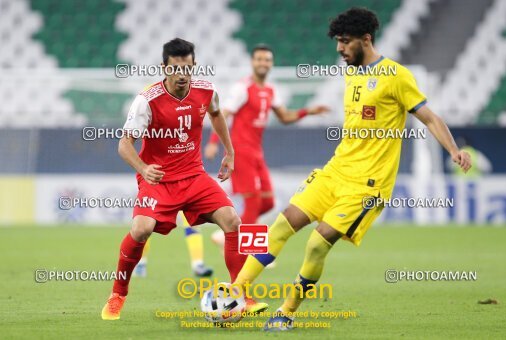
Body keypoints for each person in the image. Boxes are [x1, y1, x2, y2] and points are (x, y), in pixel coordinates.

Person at [232, 8, 472, 331]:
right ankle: (237, 292)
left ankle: (286, 312)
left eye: (345, 42)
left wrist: (454, 150)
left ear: (366, 39)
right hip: (336, 171)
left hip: (367, 186)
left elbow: (429, 117)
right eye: (338, 42)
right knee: (281, 224)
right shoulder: (351, 71)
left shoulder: (397, 76)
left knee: (317, 244)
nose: (339, 49)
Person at [101, 38, 264, 320]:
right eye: (175, 69)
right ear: (164, 67)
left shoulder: (206, 90)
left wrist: (230, 152)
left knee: (233, 221)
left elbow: (217, 115)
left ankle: (242, 295)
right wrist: (143, 169)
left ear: (194, 66)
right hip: (159, 180)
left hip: (194, 176)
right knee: (140, 229)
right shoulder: (147, 100)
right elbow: (124, 144)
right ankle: (118, 294)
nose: (182, 75)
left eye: (187, 68)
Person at [205, 44, 328, 253]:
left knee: (269, 202)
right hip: (241, 151)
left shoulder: (271, 90)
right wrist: (213, 142)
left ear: (271, 63)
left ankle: (225, 235)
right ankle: (251, 251)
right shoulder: (242, 88)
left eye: (267, 60)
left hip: (257, 153)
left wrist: (308, 111)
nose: (263, 63)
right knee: (253, 202)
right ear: (253, 62)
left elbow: (285, 117)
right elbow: (223, 115)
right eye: (259, 59)